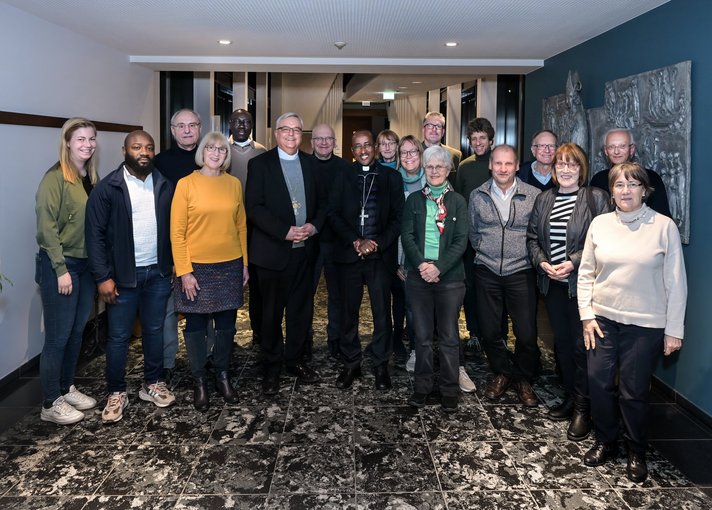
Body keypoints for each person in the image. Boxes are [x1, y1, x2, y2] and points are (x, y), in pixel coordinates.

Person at [578, 162, 687, 483]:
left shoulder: (664, 226)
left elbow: (676, 282)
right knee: (598, 383)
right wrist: (586, 315)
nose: (626, 191)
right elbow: (586, 273)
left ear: (644, 190)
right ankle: (606, 441)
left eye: (633, 184)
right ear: (611, 192)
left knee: (634, 391)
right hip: (601, 320)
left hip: (645, 325)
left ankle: (636, 450)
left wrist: (674, 330)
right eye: (619, 185)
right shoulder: (599, 224)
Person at [86, 130, 176, 423]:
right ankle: (116, 391)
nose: (144, 152)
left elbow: (175, 229)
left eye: (149, 147)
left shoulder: (164, 184)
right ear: (125, 151)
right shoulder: (108, 188)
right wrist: (102, 277)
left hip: (158, 273)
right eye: (137, 147)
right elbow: (95, 236)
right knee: (119, 337)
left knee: (154, 330)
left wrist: (172, 264)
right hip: (122, 277)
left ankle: (153, 383)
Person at [527, 143, 610, 440]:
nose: (565, 169)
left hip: (583, 287)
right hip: (553, 286)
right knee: (562, 345)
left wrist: (572, 263)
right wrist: (542, 262)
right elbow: (532, 238)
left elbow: (603, 240)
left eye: (571, 164)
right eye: (560, 164)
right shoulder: (544, 198)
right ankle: (570, 397)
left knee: (581, 347)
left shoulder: (596, 198)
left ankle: (583, 409)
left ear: (581, 168)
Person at [245, 112, 325, 395]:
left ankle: (295, 360)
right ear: (276, 133)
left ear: (302, 135)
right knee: (270, 314)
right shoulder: (260, 165)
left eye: (297, 130)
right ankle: (271, 366)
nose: (291, 134)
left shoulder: (312, 164)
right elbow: (254, 207)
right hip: (272, 253)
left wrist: (314, 226)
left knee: (300, 311)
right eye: (286, 129)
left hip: (305, 253)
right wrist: (284, 232)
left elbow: (324, 204)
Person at [171, 131, 248, 410]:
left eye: (222, 149)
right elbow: (177, 233)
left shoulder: (234, 184)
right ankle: (200, 379)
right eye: (211, 148)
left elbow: (241, 226)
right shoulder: (185, 184)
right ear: (202, 151)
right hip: (196, 269)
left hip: (229, 265)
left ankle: (222, 375)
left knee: (226, 326)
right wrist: (184, 272)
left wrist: (245, 264)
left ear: (227, 155)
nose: (216, 153)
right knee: (195, 326)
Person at [34, 117, 99, 425]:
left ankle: (65, 387)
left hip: (85, 266)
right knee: (58, 337)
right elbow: (46, 229)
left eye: (91, 139)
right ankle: (50, 402)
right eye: (80, 139)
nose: (87, 144)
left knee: (76, 332)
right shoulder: (55, 178)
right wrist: (60, 269)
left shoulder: (89, 176)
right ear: (68, 143)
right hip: (61, 266)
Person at [329, 130, 403, 390]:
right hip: (350, 255)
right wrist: (355, 241)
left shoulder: (391, 177)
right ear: (352, 151)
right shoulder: (341, 175)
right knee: (348, 313)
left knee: (382, 313)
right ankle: (351, 363)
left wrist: (377, 243)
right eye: (358, 146)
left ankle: (381, 364)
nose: (363, 150)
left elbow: (398, 218)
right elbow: (333, 214)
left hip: (380, 257)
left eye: (367, 145)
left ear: (375, 148)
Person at [469, 144, 541, 407]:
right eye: (498, 163)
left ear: (517, 166)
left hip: (521, 270)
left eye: (508, 163)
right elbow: (473, 232)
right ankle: (503, 372)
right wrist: (484, 251)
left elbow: (537, 233)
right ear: (490, 165)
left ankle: (523, 378)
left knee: (526, 333)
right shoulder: (477, 195)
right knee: (489, 331)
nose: (502, 168)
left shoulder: (533, 195)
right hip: (486, 270)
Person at [402, 146, 469, 413]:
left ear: (448, 169)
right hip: (418, 277)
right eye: (429, 166)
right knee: (422, 337)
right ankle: (422, 387)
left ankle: (449, 390)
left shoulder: (458, 201)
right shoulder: (414, 200)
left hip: (450, 278)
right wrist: (422, 265)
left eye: (439, 166)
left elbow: (461, 240)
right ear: (424, 169)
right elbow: (407, 236)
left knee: (449, 336)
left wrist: (438, 267)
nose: (434, 171)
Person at [154, 108, 202, 384]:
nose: (187, 130)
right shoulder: (160, 163)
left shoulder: (209, 158)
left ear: (199, 128)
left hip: (204, 248)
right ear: (172, 131)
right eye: (181, 126)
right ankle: (167, 362)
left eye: (192, 125)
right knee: (168, 309)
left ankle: (204, 359)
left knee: (204, 308)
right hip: (170, 248)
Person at [455, 118, 507, 356]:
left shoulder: (499, 164)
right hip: (469, 238)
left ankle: (499, 335)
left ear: (490, 139)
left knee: (496, 289)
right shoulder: (464, 167)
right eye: (474, 139)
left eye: (482, 138)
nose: (478, 143)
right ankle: (474, 334)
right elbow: (459, 201)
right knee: (471, 287)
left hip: (495, 238)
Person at [309, 123, 351, 359]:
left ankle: (336, 339)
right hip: (310, 242)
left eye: (328, 139)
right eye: (319, 139)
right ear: (312, 142)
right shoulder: (303, 165)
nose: (324, 143)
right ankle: (304, 339)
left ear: (335, 142)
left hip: (338, 242)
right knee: (306, 294)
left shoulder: (345, 168)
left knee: (338, 295)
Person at [228, 108, 267, 351]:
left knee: (257, 283)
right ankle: (227, 335)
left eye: (247, 121)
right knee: (231, 284)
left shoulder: (262, 151)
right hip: (228, 226)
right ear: (230, 124)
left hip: (256, 226)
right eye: (237, 121)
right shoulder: (220, 150)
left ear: (252, 125)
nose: (242, 125)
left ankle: (259, 332)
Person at [394, 135, 426, 370]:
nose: (408, 156)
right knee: (411, 307)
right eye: (404, 152)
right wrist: (398, 263)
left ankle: (431, 349)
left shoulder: (433, 178)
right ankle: (416, 350)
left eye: (413, 151)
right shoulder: (393, 181)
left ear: (421, 154)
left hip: (430, 256)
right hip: (403, 256)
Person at [589, 128, 671, 217]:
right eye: (611, 147)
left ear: (631, 149)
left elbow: (661, 215)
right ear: (606, 151)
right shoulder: (598, 179)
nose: (616, 151)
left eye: (622, 146)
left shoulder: (651, 178)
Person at [422, 111, 462, 182]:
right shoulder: (413, 154)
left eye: (438, 126)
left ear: (443, 132)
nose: (434, 129)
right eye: (430, 126)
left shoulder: (455, 155)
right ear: (423, 130)